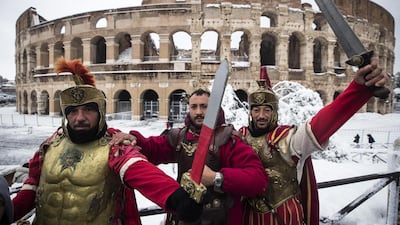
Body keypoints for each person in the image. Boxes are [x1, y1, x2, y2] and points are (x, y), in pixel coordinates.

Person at [10, 57, 202, 225]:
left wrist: (175, 198)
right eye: (73, 111)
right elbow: (32, 186)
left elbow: (137, 168)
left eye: (88, 110)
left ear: (100, 113)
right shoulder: (50, 145)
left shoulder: (114, 144)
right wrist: (7, 211)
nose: (80, 118)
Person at [239, 60, 388, 225]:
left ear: (274, 112)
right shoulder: (239, 139)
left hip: (284, 217)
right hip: (248, 217)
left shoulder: (289, 139)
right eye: (256, 110)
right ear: (250, 112)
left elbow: (323, 123)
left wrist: (357, 89)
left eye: (267, 110)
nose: (261, 115)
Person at [110, 88, 268, 225]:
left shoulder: (228, 139)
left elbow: (258, 179)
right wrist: (133, 139)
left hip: (219, 218)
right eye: (194, 107)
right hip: (183, 216)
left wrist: (217, 178)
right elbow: (152, 149)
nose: (198, 112)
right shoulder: (179, 136)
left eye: (204, 106)